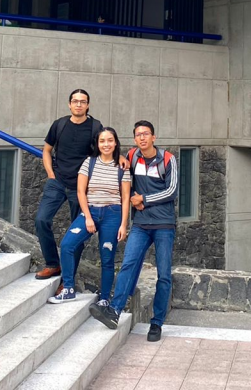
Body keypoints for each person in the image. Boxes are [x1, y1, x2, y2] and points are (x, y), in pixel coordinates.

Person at [89, 120, 177, 342]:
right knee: (128, 264)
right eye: (138, 135)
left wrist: (143, 199)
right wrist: (120, 157)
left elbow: (172, 190)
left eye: (146, 134)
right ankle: (115, 310)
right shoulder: (132, 157)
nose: (142, 138)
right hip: (140, 224)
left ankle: (156, 323)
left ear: (153, 137)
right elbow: (119, 164)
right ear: (135, 139)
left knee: (164, 275)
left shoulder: (167, 159)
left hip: (164, 225)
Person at [48, 127, 131, 305]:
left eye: (110, 140)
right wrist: (87, 217)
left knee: (107, 257)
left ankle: (104, 299)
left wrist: (124, 224)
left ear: (115, 142)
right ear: (97, 143)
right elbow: (80, 191)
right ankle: (68, 288)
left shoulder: (123, 167)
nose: (106, 144)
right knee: (68, 244)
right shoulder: (89, 163)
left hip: (113, 214)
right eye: (102, 141)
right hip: (90, 211)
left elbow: (125, 198)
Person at [34, 90, 103, 286]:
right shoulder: (60, 124)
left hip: (81, 187)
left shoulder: (96, 127)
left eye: (83, 102)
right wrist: (50, 173)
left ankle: (67, 278)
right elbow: (47, 150)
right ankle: (52, 264)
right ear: (69, 104)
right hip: (57, 182)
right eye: (75, 101)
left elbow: (106, 151)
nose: (79, 105)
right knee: (41, 220)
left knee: (77, 232)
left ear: (88, 105)